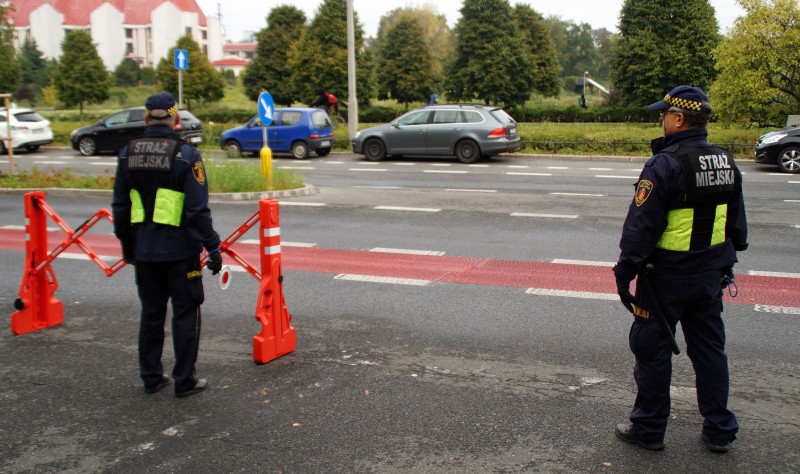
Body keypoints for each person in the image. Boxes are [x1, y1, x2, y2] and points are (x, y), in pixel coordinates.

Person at [612, 85, 748, 453]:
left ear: (679, 118)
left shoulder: (664, 164)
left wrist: (624, 274)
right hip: (709, 277)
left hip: (664, 280)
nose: (661, 120)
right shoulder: (724, 160)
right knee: (709, 350)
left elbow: (640, 230)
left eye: (664, 114)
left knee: (652, 349)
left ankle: (648, 429)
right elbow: (737, 227)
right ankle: (720, 429)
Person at [112, 92, 223, 398]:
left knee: (151, 313)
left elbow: (120, 208)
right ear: (175, 120)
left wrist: (128, 247)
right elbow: (197, 212)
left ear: (146, 118)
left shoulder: (127, 153)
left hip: (144, 252)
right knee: (185, 314)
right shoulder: (185, 156)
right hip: (180, 253)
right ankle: (184, 381)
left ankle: (150, 377)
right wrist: (213, 247)